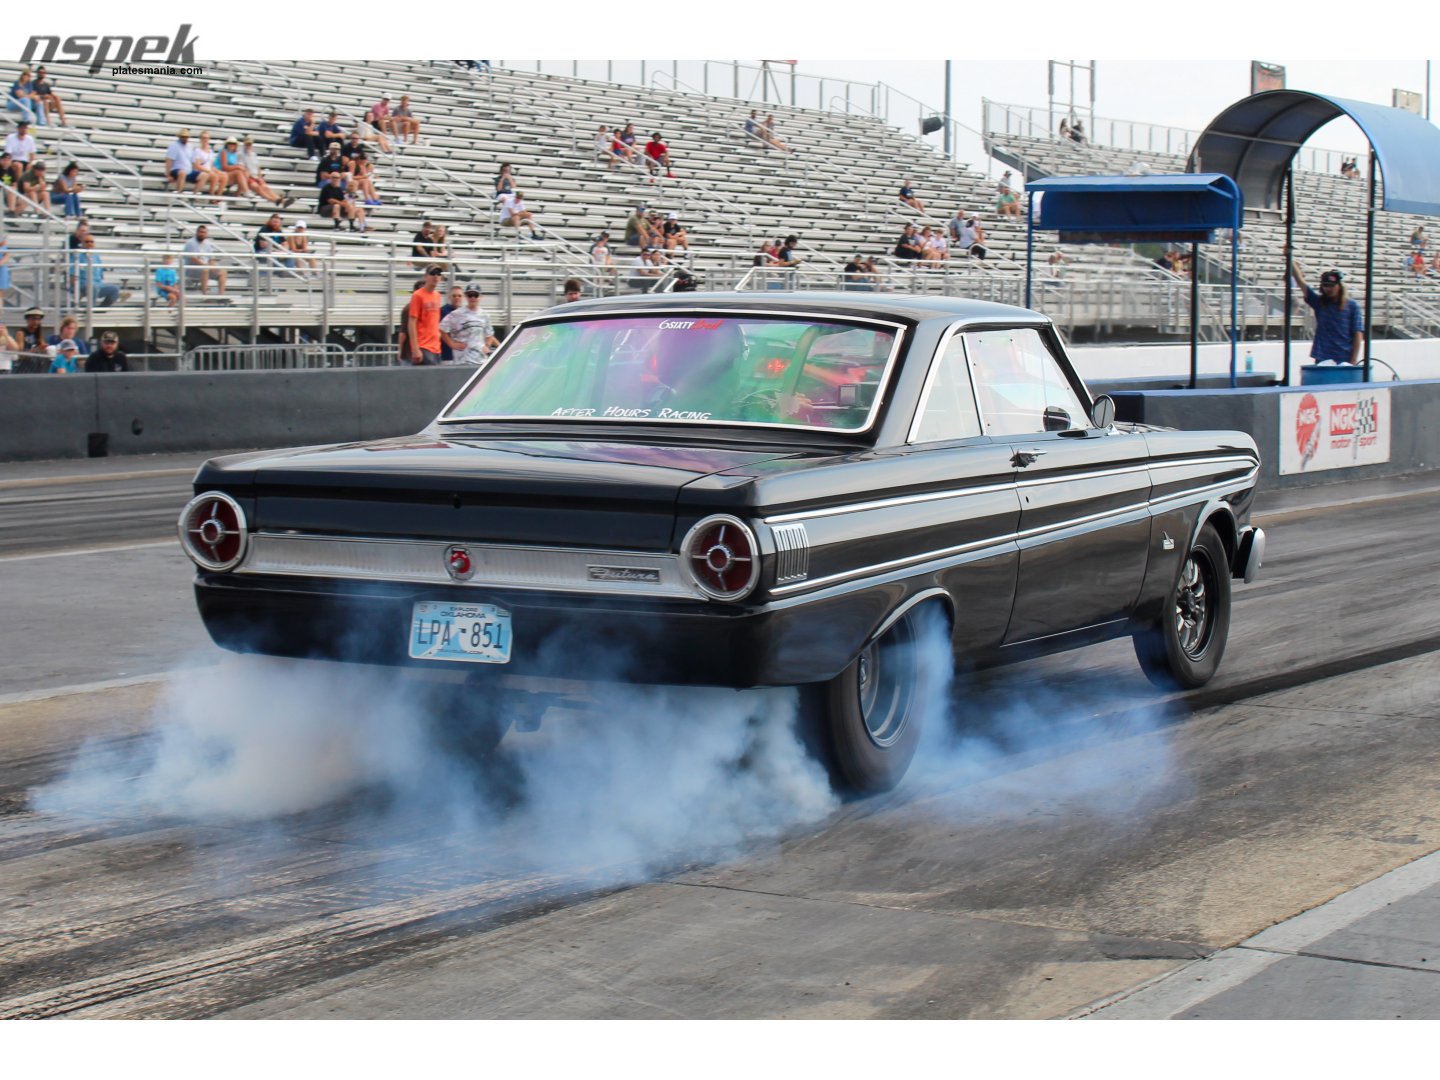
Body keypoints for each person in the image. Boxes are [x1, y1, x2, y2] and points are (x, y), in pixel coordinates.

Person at [1292, 264, 1363, 365]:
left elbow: (1358, 333)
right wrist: (1290, 259)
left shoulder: (1352, 306)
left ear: (1339, 286)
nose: (1328, 289)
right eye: (1325, 285)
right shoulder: (1319, 303)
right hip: (1323, 357)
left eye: (1331, 285)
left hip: (1344, 357)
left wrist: (1354, 359)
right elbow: (1301, 282)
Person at [439, 283, 500, 365]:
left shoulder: (485, 315)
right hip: (462, 360)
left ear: (480, 296)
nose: (473, 298)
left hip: (481, 360)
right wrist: (451, 344)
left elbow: (489, 334)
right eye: (470, 295)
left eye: (475, 295)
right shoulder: (456, 314)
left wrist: (487, 346)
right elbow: (442, 329)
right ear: (466, 296)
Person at [407, 265, 445, 364]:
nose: (436, 276)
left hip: (436, 347)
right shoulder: (418, 295)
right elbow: (411, 322)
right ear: (426, 276)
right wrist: (415, 348)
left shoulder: (437, 295)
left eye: (438, 274)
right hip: (423, 346)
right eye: (432, 274)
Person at [240, 137, 294, 207]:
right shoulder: (241, 154)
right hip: (248, 177)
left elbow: (257, 167)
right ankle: (275, 200)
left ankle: (281, 201)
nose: (248, 146)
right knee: (258, 187)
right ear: (244, 145)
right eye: (247, 144)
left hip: (255, 176)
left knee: (266, 188)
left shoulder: (253, 154)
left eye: (249, 144)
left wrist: (260, 177)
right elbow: (242, 167)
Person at [75, 236, 125, 306]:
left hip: (98, 285)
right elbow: (72, 274)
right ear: (82, 244)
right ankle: (90, 309)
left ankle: (101, 309)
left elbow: (100, 274)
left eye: (91, 242)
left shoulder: (96, 257)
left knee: (114, 289)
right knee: (93, 288)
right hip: (84, 285)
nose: (89, 243)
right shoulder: (77, 256)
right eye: (87, 242)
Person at [182, 224, 227, 293]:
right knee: (205, 270)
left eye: (204, 232)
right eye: (200, 232)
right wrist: (206, 266)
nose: (202, 234)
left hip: (205, 267)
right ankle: (204, 294)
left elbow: (211, 259)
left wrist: (213, 266)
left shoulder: (208, 243)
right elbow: (193, 259)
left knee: (222, 272)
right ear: (197, 232)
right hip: (192, 268)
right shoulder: (191, 243)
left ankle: (221, 295)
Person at [165, 128, 203, 193]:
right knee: (182, 173)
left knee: (204, 175)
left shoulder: (190, 146)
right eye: (183, 137)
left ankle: (194, 195)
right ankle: (179, 194)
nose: (185, 138)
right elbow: (169, 160)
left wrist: (195, 170)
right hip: (176, 169)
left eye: (186, 137)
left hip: (188, 170)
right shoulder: (174, 146)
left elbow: (193, 161)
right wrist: (168, 175)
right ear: (180, 137)